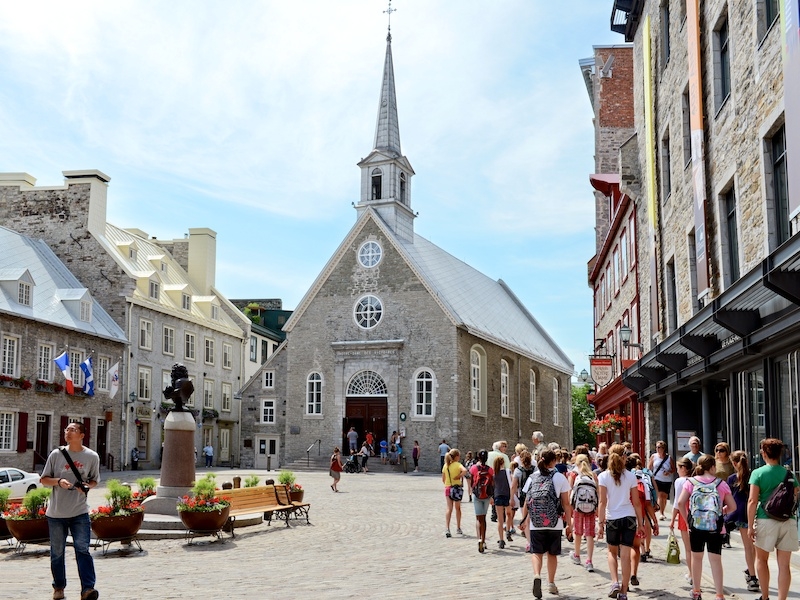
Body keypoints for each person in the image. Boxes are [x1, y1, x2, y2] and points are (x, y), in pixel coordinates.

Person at [41, 421, 100, 600]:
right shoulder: (56, 454)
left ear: (82, 435)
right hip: (56, 513)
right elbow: (44, 479)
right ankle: (58, 587)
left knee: (82, 550)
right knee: (57, 552)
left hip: (79, 512)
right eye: (67, 429)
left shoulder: (91, 456)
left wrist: (87, 486)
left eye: (73, 429)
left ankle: (87, 589)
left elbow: (94, 480)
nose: (68, 432)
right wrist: (58, 482)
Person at [677, 454, 736, 600]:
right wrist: (721, 511)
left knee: (696, 558)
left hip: (696, 527)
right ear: (712, 467)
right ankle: (719, 594)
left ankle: (696, 591)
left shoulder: (691, 482)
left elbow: (680, 503)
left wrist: (688, 520)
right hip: (715, 527)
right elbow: (733, 506)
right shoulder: (720, 484)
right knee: (715, 560)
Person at [748, 437, 800, 600]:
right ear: (780, 454)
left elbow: (752, 501)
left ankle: (765, 597)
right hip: (788, 521)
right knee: (784, 565)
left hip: (766, 519)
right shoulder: (789, 473)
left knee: (762, 560)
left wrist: (750, 526)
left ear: (763, 453)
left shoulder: (758, 473)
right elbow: (796, 492)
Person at [598, 444, 644, 600]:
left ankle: (614, 582)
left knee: (611, 552)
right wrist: (641, 523)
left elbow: (602, 502)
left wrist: (600, 522)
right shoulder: (630, 476)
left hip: (612, 518)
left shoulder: (603, 476)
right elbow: (636, 502)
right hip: (629, 517)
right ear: (623, 457)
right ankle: (624, 592)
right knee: (625, 556)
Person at [525, 449, 572, 599]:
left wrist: (525, 520)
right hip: (555, 522)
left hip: (536, 522)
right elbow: (566, 503)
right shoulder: (559, 477)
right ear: (554, 461)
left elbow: (527, 501)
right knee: (552, 554)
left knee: (537, 552)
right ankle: (551, 583)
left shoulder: (532, 477)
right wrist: (569, 523)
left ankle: (537, 575)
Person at [726, 450, 759, 592]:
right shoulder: (754, 476)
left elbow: (729, 498)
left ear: (733, 463)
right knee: (754, 545)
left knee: (747, 546)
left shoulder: (732, 478)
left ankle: (752, 577)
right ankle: (751, 569)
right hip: (755, 513)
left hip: (740, 514)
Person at [628, 454, 659, 587]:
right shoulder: (641, 481)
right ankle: (633, 574)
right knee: (635, 547)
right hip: (637, 518)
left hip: (620, 518)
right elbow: (647, 504)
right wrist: (655, 521)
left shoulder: (619, 479)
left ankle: (624, 581)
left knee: (622, 549)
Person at [569, 454, 598, 573]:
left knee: (578, 531)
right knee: (590, 534)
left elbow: (572, 493)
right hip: (591, 508)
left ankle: (577, 555)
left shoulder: (577, 476)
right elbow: (598, 494)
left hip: (579, 507)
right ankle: (589, 560)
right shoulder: (594, 476)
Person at [670, 457, 696, 586]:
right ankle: (695, 573)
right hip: (695, 514)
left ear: (684, 469)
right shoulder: (695, 479)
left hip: (684, 514)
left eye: (679, 468)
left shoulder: (679, 481)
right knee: (696, 548)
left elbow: (677, 502)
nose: (677, 470)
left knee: (688, 548)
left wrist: (672, 519)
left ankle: (691, 574)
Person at [469, 449, 494, 553]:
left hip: (477, 495)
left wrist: (472, 492)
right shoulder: (490, 470)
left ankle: (479, 538)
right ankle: (483, 540)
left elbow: (471, 483)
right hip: (487, 496)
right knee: (483, 518)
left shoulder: (474, 468)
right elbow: (492, 484)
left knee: (478, 518)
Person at [512, 450, 535, 551]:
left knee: (525, 518)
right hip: (534, 496)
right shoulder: (535, 469)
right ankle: (534, 540)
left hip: (523, 496)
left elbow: (513, 486)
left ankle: (529, 542)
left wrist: (511, 498)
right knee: (533, 519)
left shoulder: (518, 470)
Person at [442, 448, 467, 538]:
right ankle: (458, 527)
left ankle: (447, 528)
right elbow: (465, 470)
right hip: (456, 488)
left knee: (449, 509)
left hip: (448, 488)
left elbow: (443, 479)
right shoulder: (458, 464)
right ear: (456, 457)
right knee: (458, 508)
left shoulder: (446, 466)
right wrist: (458, 476)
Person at [647, 440, 674, 520]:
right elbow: (649, 467)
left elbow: (673, 469)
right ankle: (661, 513)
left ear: (663, 448)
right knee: (660, 495)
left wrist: (669, 472)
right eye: (656, 447)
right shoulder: (654, 456)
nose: (657, 449)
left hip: (667, 480)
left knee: (664, 497)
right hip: (657, 479)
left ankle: (662, 510)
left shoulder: (668, 458)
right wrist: (649, 475)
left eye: (659, 447)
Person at [492, 455, 513, 549]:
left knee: (500, 520)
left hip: (497, 496)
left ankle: (501, 539)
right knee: (509, 514)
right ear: (503, 463)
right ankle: (508, 530)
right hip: (507, 496)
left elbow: (492, 487)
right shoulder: (507, 472)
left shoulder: (494, 474)